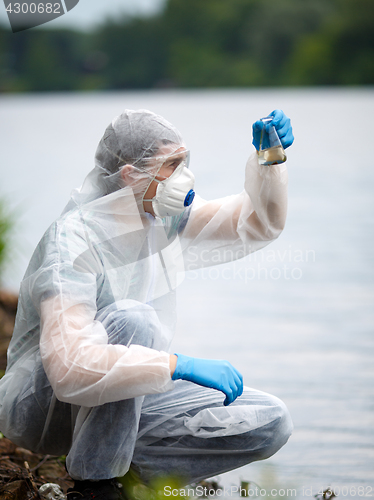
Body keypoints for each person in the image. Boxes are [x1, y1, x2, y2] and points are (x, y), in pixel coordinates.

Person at [0, 109, 294, 500]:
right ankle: (96, 484)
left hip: (122, 397)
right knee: (133, 319)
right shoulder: (72, 242)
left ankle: (131, 474)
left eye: (184, 161)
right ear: (129, 175)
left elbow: (255, 224)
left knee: (270, 420)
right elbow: (69, 368)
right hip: (48, 406)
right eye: (172, 165)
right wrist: (177, 366)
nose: (184, 175)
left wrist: (269, 162)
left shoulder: (160, 217)